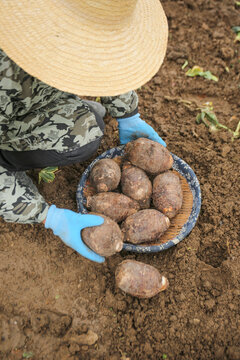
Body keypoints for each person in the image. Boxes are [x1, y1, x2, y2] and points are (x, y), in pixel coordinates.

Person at [0, 0, 168, 263]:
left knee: (91, 121)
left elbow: (105, 51)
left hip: (22, 101)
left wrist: (127, 114)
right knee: (84, 134)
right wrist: (47, 215)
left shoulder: (62, 19)